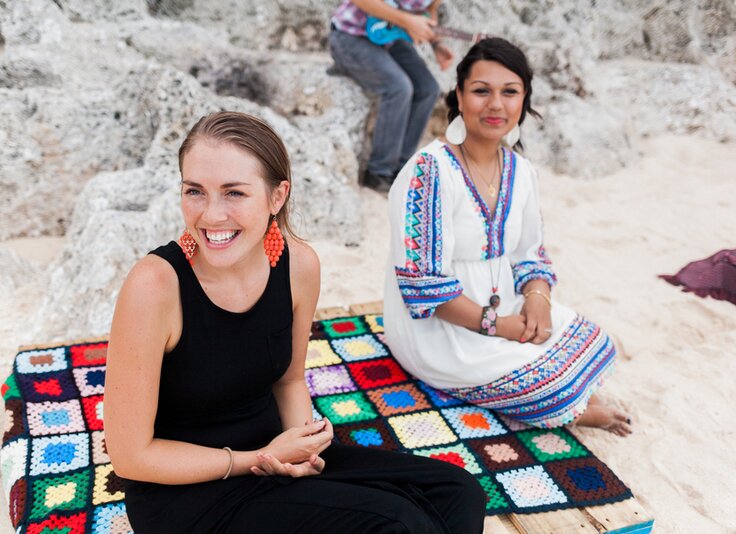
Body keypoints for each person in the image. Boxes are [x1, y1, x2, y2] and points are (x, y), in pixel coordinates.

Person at [104, 111, 486, 533]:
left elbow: (288, 381)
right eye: (195, 191)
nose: (211, 215)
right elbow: (130, 455)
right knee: (397, 522)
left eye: (234, 193)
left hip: (274, 455)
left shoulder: (298, 265)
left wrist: (303, 452)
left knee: (457, 491)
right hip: (185, 492)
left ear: (276, 196)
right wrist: (260, 460)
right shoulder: (155, 285)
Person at [383, 38, 632, 436]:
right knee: (556, 387)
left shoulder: (521, 170)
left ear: (524, 100)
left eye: (510, 92)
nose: (495, 104)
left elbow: (530, 253)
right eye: (482, 91)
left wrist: (538, 300)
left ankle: (557, 393)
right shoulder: (429, 171)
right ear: (460, 97)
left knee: (599, 343)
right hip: (440, 328)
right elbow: (423, 286)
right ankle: (567, 407)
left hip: (505, 302)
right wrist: (498, 327)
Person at [329, 0, 454, 192]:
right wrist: (408, 22)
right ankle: (378, 172)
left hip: (388, 39)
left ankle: (402, 169)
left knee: (428, 89)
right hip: (350, 36)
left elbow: (429, 12)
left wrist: (436, 44)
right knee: (399, 88)